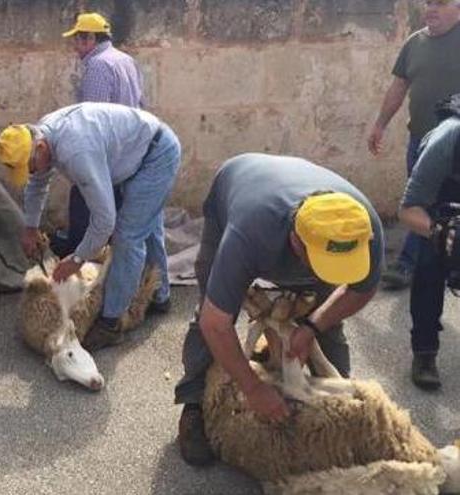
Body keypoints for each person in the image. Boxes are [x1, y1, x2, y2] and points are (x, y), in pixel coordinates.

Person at [173, 153, 384, 467]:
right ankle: (194, 405)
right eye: (322, 263)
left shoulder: (361, 228)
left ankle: (339, 415)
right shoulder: (251, 232)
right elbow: (215, 323)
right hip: (238, 187)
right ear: (296, 243)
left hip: (299, 199)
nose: (331, 274)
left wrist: (313, 326)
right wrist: (253, 388)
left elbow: (361, 289)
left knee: (328, 320)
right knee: (213, 304)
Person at [0, 102, 179, 350]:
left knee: (128, 237)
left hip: (155, 156)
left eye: (30, 167)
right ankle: (160, 295)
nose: (32, 172)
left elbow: (104, 221)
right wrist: (30, 227)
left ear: (39, 147)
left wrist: (77, 259)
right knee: (147, 226)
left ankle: (111, 324)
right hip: (137, 152)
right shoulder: (40, 138)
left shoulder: (76, 152)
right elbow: (37, 184)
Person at [367, 0, 460, 290]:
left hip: (456, 148)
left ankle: (411, 264)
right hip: (420, 142)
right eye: (429, 2)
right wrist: (380, 123)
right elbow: (398, 87)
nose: (431, 8)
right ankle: (420, 266)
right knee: (419, 204)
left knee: (443, 206)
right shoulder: (414, 43)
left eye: (440, 3)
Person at [53, 12, 145, 258]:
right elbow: (140, 103)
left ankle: (78, 261)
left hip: (107, 153)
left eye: (78, 39)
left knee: (84, 201)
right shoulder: (125, 60)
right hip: (129, 149)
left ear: (90, 39)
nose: (74, 46)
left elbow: (92, 122)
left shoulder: (97, 65)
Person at [396, 94, 460, 390]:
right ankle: (424, 352)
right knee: (430, 266)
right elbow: (408, 210)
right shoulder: (448, 139)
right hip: (437, 201)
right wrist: (440, 232)